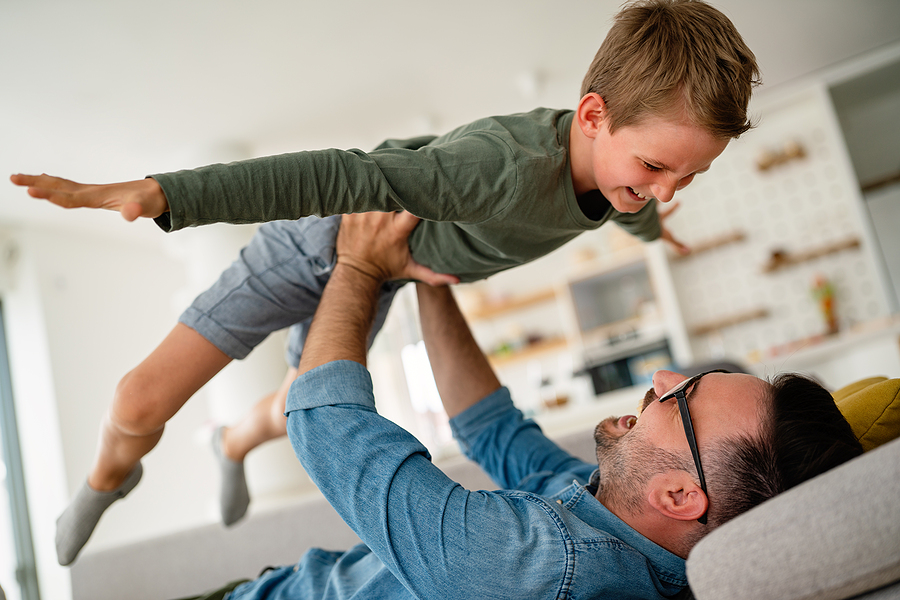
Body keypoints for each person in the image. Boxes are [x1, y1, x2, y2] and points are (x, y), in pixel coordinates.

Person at [11, 0, 762, 565]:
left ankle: (232, 445)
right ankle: (108, 479)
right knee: (137, 401)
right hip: (324, 242)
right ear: (594, 115)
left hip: (385, 277)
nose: (667, 187)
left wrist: (649, 222)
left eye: (687, 177)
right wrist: (168, 193)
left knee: (299, 401)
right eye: (658, 170)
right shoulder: (495, 167)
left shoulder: (612, 179)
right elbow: (340, 174)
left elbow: (619, 204)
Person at [179, 210, 862, 600]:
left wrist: (360, 263)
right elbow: (491, 427)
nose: (658, 377)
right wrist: (430, 280)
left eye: (680, 397)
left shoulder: (550, 571)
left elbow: (326, 424)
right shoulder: (613, 523)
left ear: (681, 494)